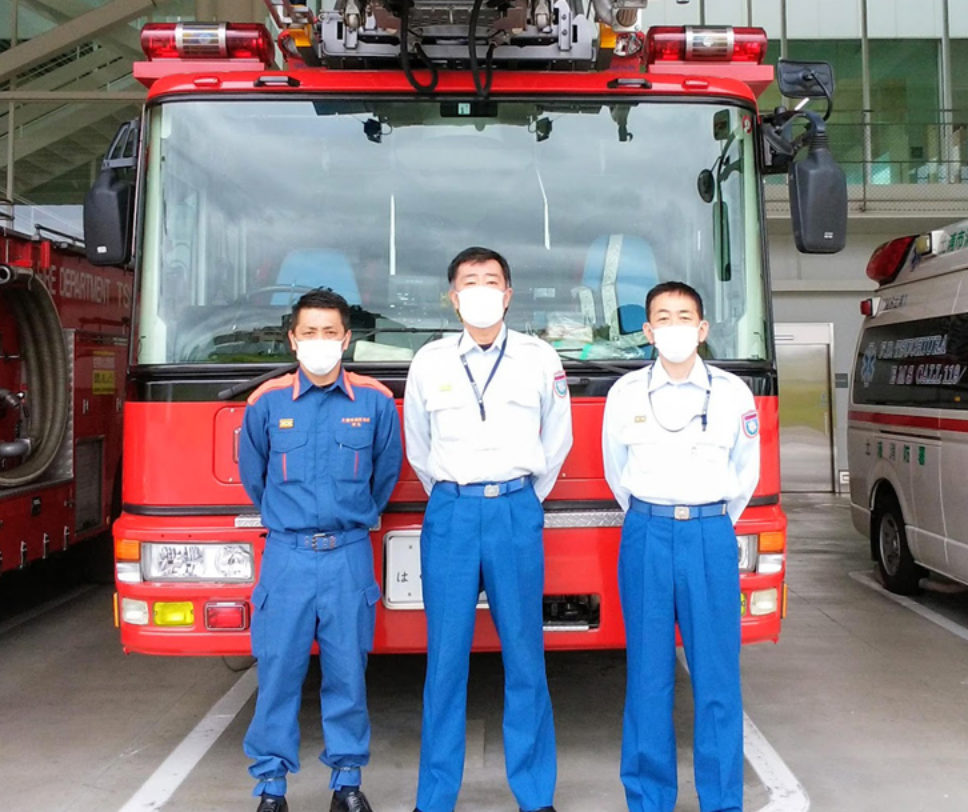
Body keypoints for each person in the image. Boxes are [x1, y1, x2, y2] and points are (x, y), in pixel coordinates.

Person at [403, 246, 573, 812]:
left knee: (525, 656)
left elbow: (557, 440)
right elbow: (419, 447)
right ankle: (435, 797)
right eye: (468, 281)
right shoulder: (428, 361)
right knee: (444, 661)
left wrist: (518, 496)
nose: (480, 289)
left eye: (491, 280)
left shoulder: (537, 356)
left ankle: (534, 793)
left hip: (514, 511)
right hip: (451, 513)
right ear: (452, 297)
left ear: (508, 294)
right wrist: (458, 492)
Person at [239, 288, 403, 812]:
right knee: (278, 674)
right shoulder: (265, 404)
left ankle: (347, 782)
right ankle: (270, 787)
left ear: (347, 339)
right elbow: (254, 479)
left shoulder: (375, 403)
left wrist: (343, 522)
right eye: (309, 332)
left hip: (348, 555)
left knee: (347, 674)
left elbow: (385, 478)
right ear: (292, 340)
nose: (319, 342)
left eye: (330, 332)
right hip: (286, 556)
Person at [601, 281, 760, 812]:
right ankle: (649, 799)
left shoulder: (733, 393)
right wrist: (661, 513)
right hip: (646, 532)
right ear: (647, 332)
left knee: (717, 676)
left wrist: (703, 519)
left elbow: (744, 474)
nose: (674, 327)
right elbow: (617, 473)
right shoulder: (625, 393)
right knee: (648, 677)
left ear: (702, 328)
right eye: (663, 318)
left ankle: (721, 801)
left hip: (710, 535)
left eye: (684, 316)